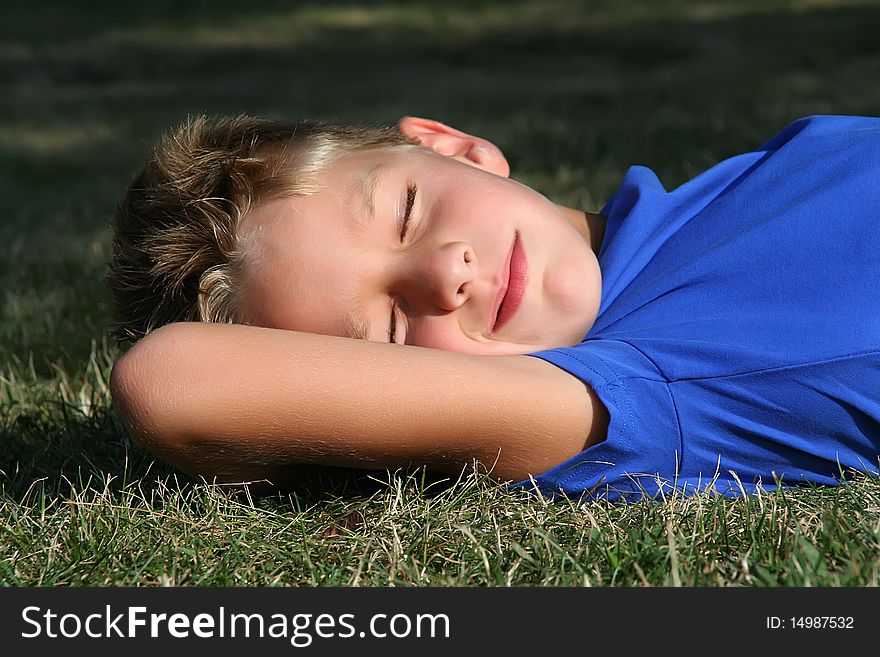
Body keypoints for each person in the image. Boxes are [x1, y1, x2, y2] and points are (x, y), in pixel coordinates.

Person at [108, 114, 880, 501]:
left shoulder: (764, 171)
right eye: (391, 328)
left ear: (454, 147)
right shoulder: (650, 381)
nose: (446, 272)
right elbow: (170, 381)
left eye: (407, 211)